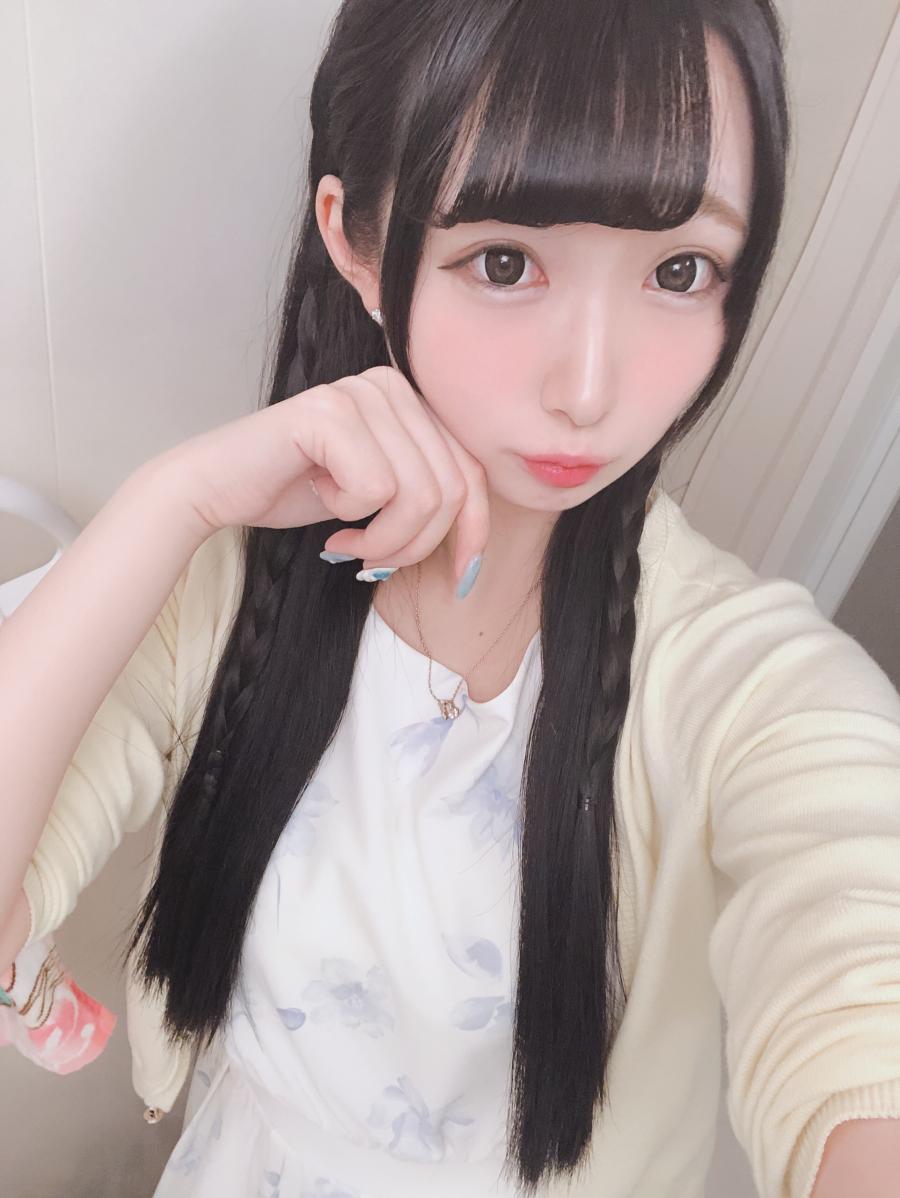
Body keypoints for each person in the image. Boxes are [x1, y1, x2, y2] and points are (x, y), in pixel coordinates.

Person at [1, 1, 899, 1196]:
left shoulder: (744, 685)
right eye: (507, 262)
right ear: (356, 241)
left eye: (680, 271)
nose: (591, 388)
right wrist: (173, 498)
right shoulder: (219, 590)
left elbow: (858, 975)